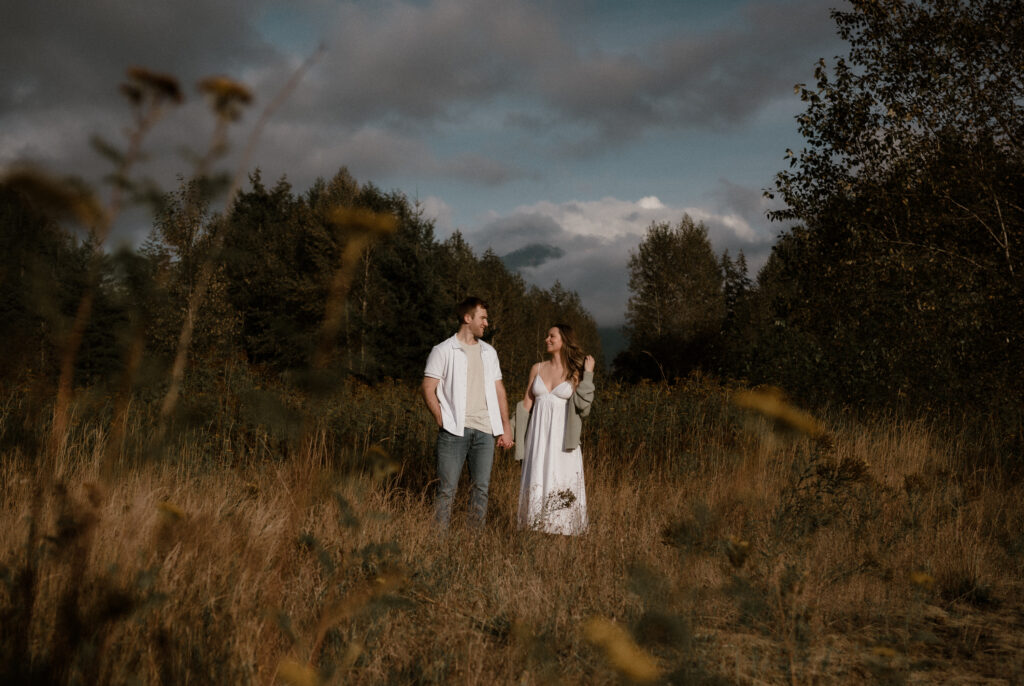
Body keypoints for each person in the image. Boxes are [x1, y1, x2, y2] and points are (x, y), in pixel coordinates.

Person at [422, 297, 513, 529]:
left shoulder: (489, 353)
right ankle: (438, 545)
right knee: (446, 490)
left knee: (480, 490)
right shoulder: (443, 350)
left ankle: (473, 547)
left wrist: (505, 427)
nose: (486, 323)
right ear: (467, 318)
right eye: (483, 318)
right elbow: (427, 388)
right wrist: (441, 418)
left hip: (485, 432)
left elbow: (499, 390)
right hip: (454, 431)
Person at [513, 323, 595, 535]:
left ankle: (563, 533)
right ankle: (535, 531)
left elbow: (584, 409)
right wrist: (508, 431)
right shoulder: (537, 368)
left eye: (552, 336)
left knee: (562, 481)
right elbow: (525, 406)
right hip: (538, 438)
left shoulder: (575, 372)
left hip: (562, 441)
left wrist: (588, 375)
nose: (546, 340)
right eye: (547, 336)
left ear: (564, 341)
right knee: (537, 480)